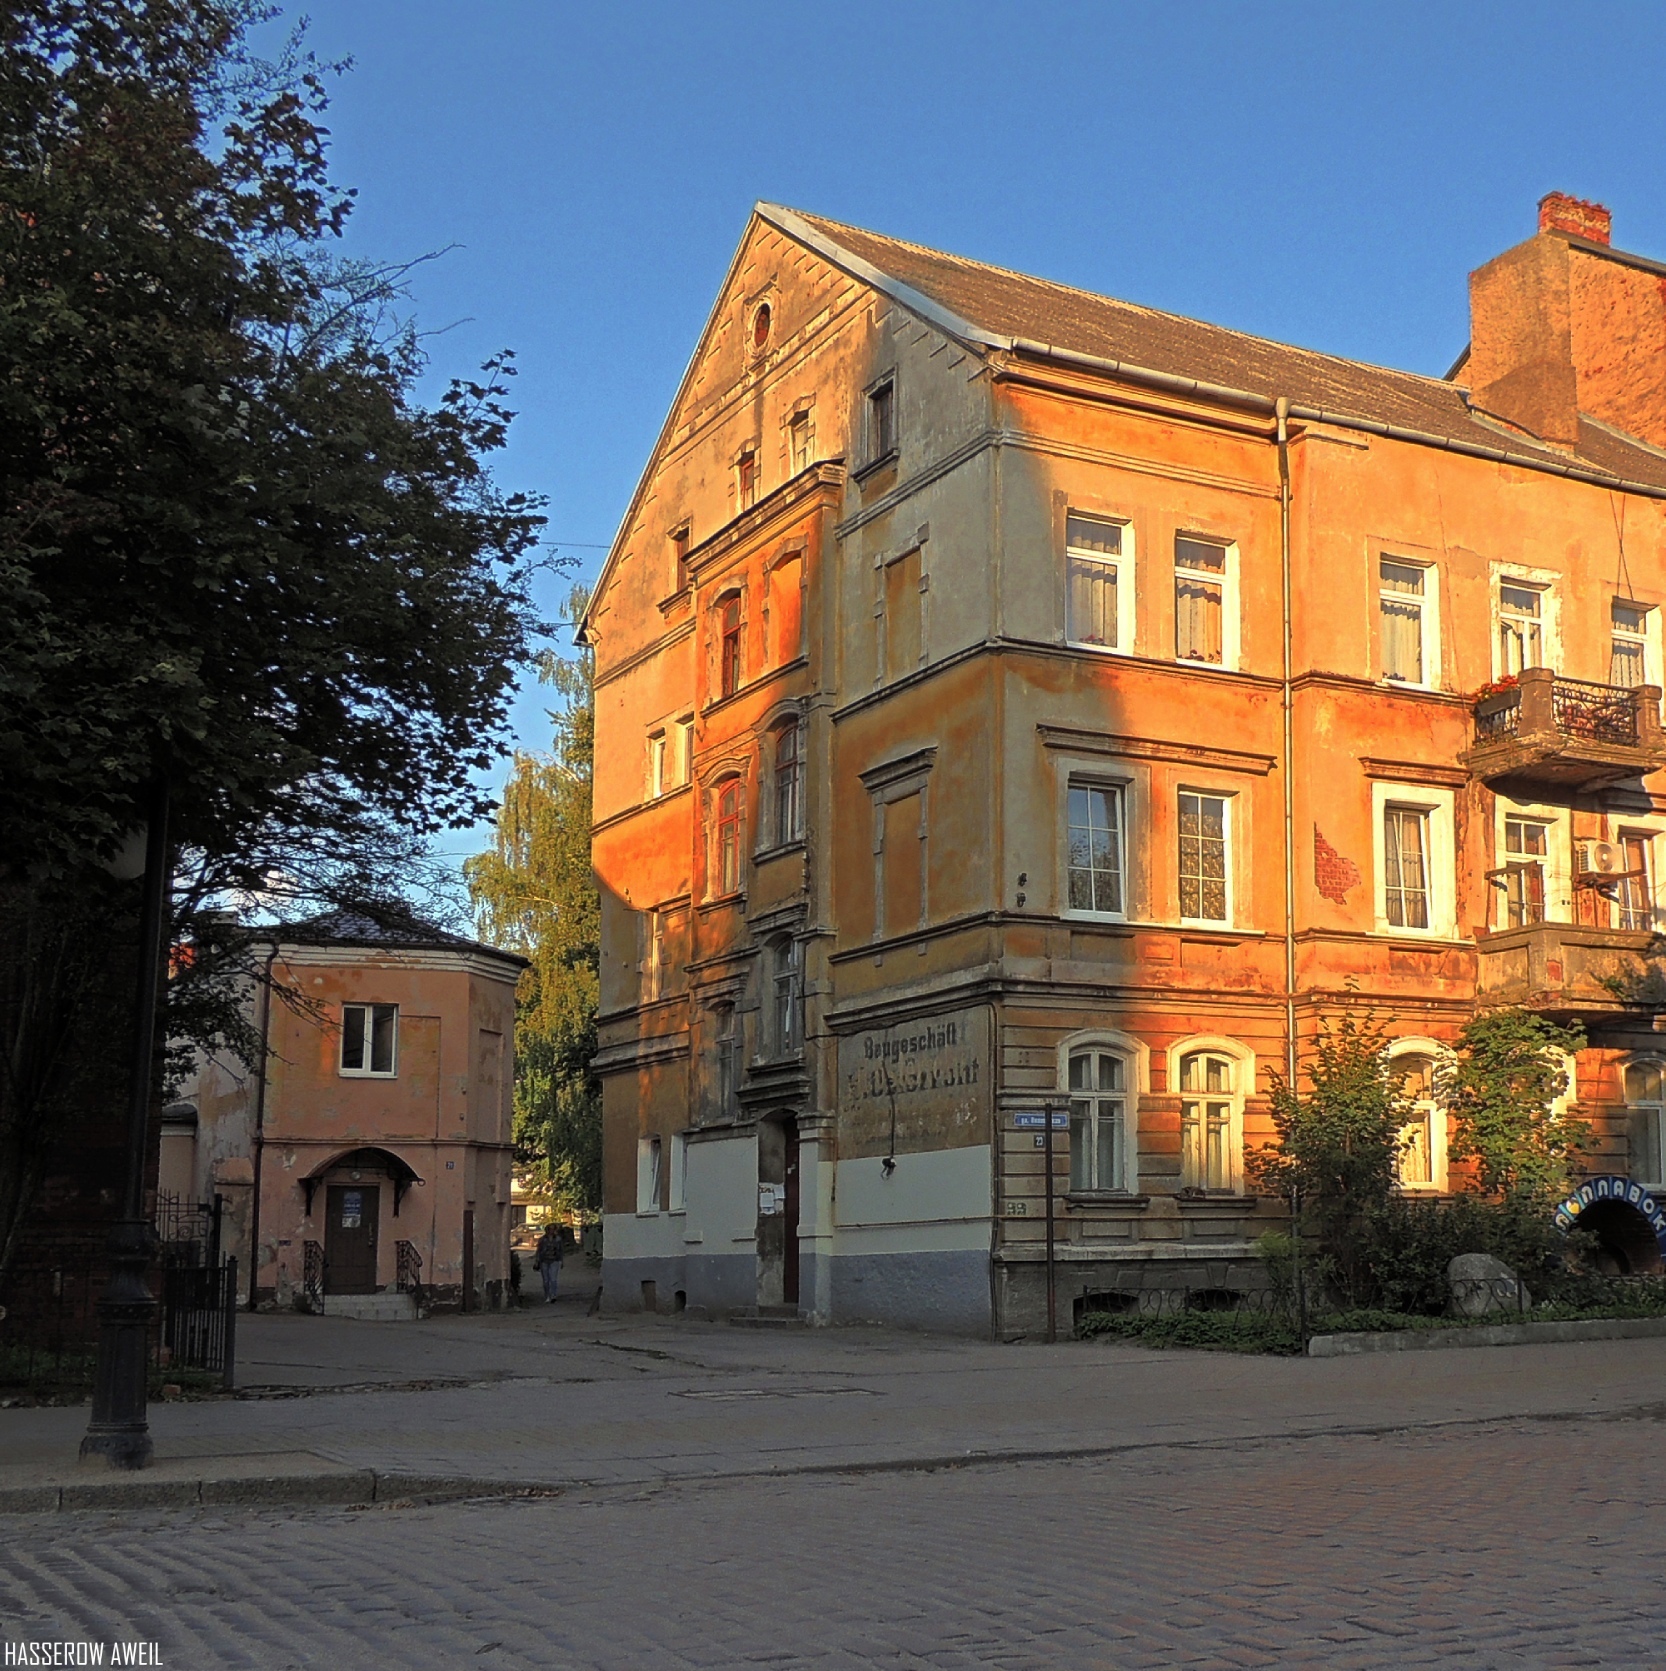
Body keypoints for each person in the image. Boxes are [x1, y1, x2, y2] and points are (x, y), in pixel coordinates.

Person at [533, 1223, 563, 1304]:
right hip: (544, 1261)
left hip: (554, 1260)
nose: (551, 1231)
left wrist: (561, 1261)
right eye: (550, 1229)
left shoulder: (558, 1239)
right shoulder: (542, 1239)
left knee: (553, 1279)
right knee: (546, 1280)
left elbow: (560, 1250)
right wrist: (537, 1261)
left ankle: (553, 1295)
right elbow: (539, 1251)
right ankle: (547, 1296)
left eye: (553, 1229)